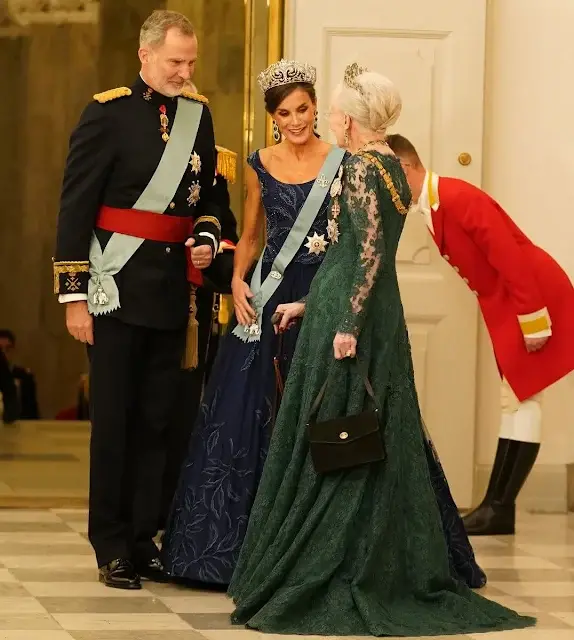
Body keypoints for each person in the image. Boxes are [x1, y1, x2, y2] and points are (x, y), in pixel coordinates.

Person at [227, 64, 535, 636]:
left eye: (339, 110)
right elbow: (350, 254)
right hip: (361, 308)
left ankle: (336, 561)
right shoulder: (392, 162)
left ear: (352, 117)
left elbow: (365, 254)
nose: (334, 118)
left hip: (356, 314)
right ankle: (369, 553)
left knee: (341, 430)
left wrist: (344, 320)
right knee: (371, 429)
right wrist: (310, 306)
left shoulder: (364, 168)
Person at [53, 9, 223, 590]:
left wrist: (205, 235)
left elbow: (211, 199)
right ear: (145, 56)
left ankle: (146, 536)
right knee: (116, 421)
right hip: (113, 290)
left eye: (190, 62)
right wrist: (74, 298)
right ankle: (112, 544)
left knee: (161, 420)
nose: (184, 72)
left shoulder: (199, 118)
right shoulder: (107, 114)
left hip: (173, 293)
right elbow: (75, 208)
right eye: (175, 62)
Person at [160, 59, 346, 587]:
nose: (296, 120)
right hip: (265, 295)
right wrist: (239, 281)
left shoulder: (340, 162)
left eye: (304, 109)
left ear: (315, 109)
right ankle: (224, 553)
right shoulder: (259, 163)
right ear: (272, 116)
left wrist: (328, 300)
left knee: (313, 410)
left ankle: (310, 551)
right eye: (285, 112)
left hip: (317, 294)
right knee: (246, 412)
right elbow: (252, 235)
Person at [386, 133, 574, 536]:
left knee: (522, 399)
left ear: (404, 167)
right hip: (509, 301)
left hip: (531, 296)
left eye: (386, 174)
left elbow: (509, 255)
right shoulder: (432, 206)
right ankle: (497, 506)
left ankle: (500, 507)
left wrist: (533, 317)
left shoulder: (456, 196)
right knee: (517, 398)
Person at [159, 143, 239, 530]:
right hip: (145, 299)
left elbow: (230, 237)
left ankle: (176, 513)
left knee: (187, 413)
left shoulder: (212, 167)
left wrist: (210, 252)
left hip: (195, 312)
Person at [0, 329, 40, 420]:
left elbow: (31, 411)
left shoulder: (24, 377)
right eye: (0, 350)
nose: (3, 354)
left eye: (7, 349)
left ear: (13, 351)